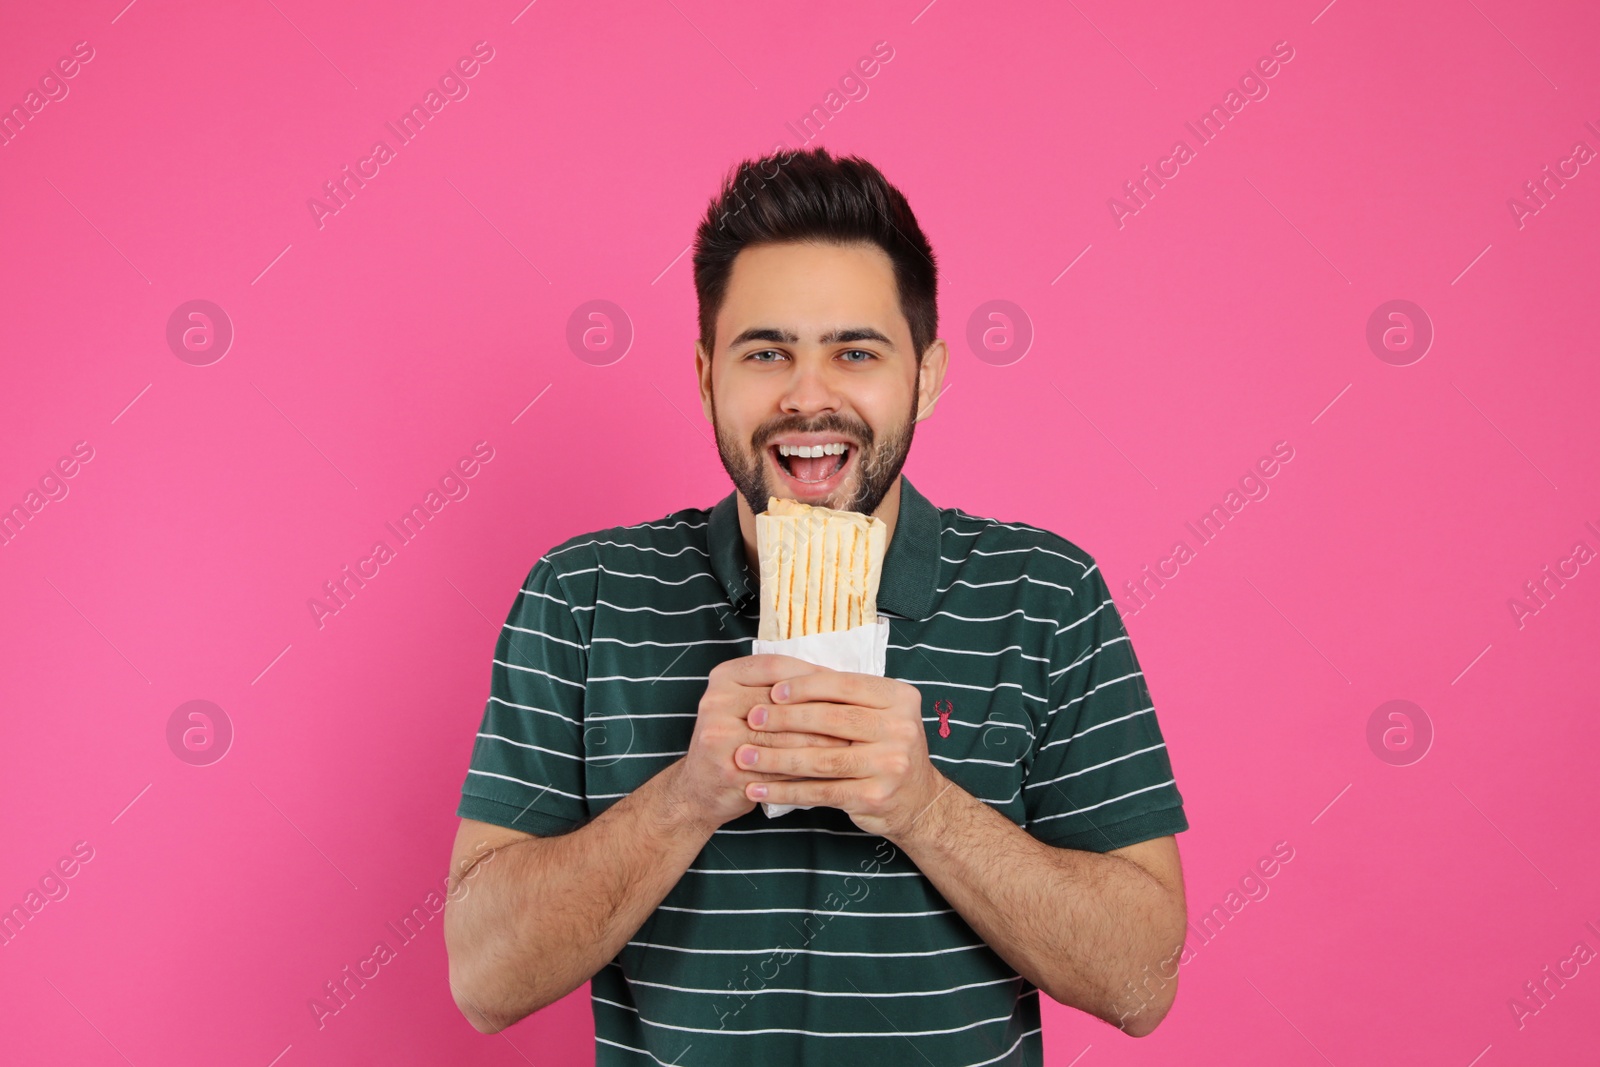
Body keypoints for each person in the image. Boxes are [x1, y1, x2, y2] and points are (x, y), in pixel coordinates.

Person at [443, 146, 1190, 1063]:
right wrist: (688, 796)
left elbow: (1143, 982)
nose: (808, 396)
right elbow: (482, 981)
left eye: (856, 351)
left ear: (928, 374)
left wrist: (923, 807)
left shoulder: (1047, 595)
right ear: (707, 374)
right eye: (766, 351)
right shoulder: (583, 596)